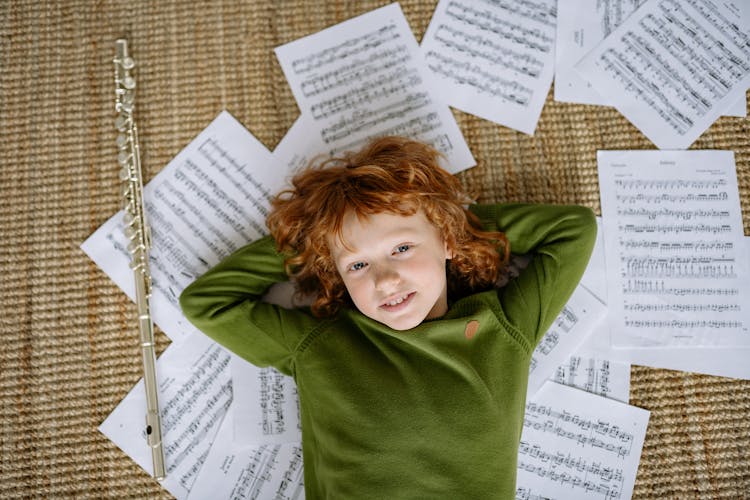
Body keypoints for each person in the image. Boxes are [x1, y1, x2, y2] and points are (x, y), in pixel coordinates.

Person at [179, 136, 597, 499]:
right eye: (357, 266)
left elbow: (573, 229)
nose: (384, 280)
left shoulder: (503, 328)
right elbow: (208, 303)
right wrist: (317, 240)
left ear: (447, 240)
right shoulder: (321, 345)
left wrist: (445, 218)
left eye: (401, 249)